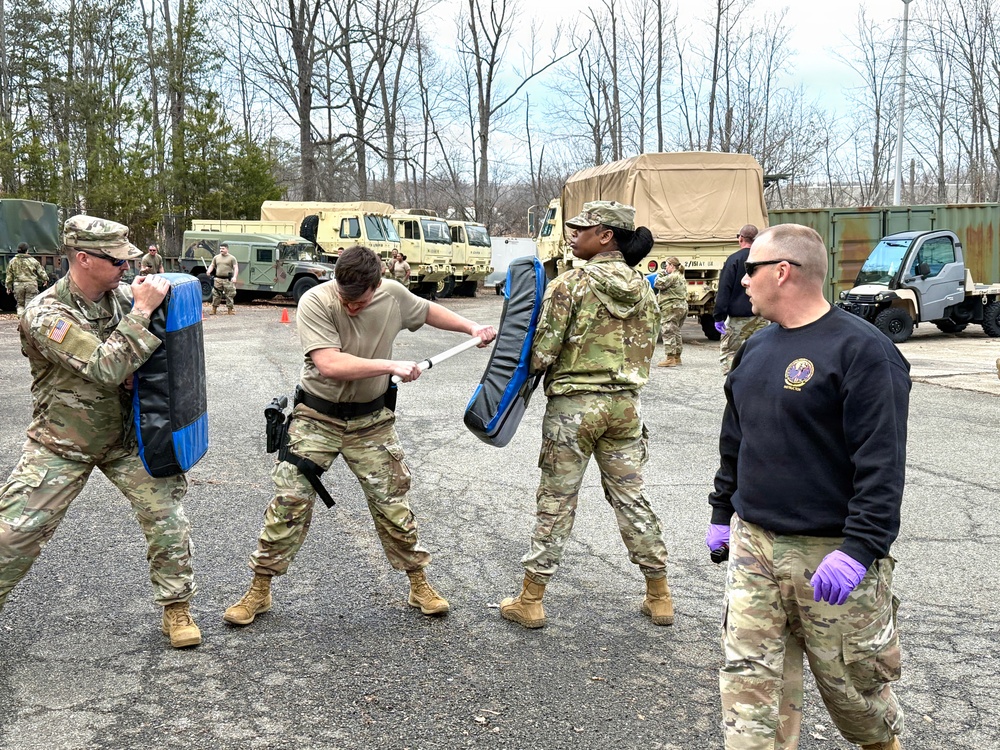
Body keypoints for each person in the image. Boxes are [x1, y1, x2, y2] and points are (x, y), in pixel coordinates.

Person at [705, 224, 908, 750]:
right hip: (755, 547)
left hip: (830, 554)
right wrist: (722, 511)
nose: (742, 280)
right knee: (749, 698)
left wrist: (860, 549)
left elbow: (881, 466)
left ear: (782, 271)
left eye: (750, 268)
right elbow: (737, 438)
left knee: (859, 703)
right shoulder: (755, 347)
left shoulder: (864, 352)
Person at [223, 245, 496, 625]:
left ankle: (419, 584)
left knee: (392, 504)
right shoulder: (316, 300)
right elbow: (329, 363)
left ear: (376, 285)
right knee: (289, 501)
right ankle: (259, 588)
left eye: (360, 301)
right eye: (345, 298)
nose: (351, 307)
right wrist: (390, 364)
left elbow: (428, 310)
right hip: (317, 417)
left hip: (371, 421)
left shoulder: (393, 294)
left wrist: (471, 327)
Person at [0, 215, 201, 649]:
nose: (126, 269)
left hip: (127, 438)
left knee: (167, 518)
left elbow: (158, 357)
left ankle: (176, 607)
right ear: (84, 259)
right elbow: (105, 366)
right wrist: (142, 315)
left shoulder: (120, 298)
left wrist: (141, 370)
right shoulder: (46, 314)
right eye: (117, 261)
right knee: (12, 534)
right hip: (63, 442)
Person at [499, 200, 673, 630]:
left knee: (556, 500)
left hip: (574, 410)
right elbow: (649, 346)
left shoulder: (570, 284)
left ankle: (531, 599)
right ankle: (660, 595)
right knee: (632, 498)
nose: (572, 234)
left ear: (606, 236)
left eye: (582, 229)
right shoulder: (646, 287)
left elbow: (540, 355)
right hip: (626, 408)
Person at [714, 224, 769, 374]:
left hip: (738, 319)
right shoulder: (764, 259)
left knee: (730, 354)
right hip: (761, 316)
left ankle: (734, 388)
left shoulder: (734, 260)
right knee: (761, 353)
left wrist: (719, 316)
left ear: (741, 239)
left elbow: (724, 290)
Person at [654, 256, 687, 367]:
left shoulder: (672, 276)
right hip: (681, 306)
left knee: (668, 331)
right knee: (676, 331)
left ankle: (670, 358)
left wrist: (661, 273)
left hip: (671, 307)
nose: (665, 267)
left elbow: (658, 283)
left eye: (666, 265)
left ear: (672, 266)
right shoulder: (681, 276)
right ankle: (677, 357)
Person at [5, 242, 49, 319]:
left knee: (20, 305)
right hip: (31, 285)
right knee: (30, 304)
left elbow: (9, 275)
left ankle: (21, 320)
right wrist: (45, 279)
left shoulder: (12, 261)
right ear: (27, 251)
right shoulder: (33, 261)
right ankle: (28, 322)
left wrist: (8, 286)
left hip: (18, 285)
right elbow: (41, 272)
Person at [207, 243, 238, 315]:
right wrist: (209, 271)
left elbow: (235, 268)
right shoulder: (216, 257)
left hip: (228, 280)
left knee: (230, 294)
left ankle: (230, 310)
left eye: (223, 249)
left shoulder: (232, 258)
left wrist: (235, 277)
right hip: (218, 279)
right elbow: (212, 265)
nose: (221, 250)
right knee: (216, 294)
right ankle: (214, 309)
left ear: (227, 249)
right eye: (220, 249)